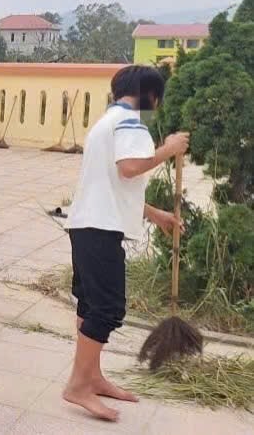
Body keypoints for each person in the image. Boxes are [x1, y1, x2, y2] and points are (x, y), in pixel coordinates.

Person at [64, 65, 188, 421]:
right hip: (100, 229)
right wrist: (169, 149)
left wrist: (155, 214)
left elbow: (114, 183)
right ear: (151, 96)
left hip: (86, 225)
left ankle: (92, 376)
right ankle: (78, 385)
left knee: (91, 304)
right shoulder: (132, 122)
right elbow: (131, 168)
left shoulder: (108, 122)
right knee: (108, 308)